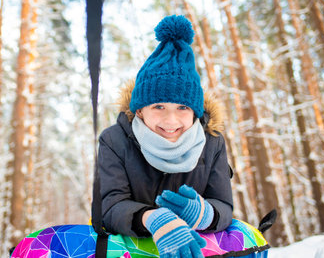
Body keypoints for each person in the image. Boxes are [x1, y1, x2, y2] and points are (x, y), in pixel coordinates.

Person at [98, 15, 233, 258]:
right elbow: (110, 206)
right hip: (134, 249)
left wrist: (205, 214)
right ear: (140, 109)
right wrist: (153, 218)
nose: (171, 121)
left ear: (195, 111)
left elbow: (224, 205)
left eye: (182, 108)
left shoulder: (212, 143)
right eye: (159, 107)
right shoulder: (114, 140)